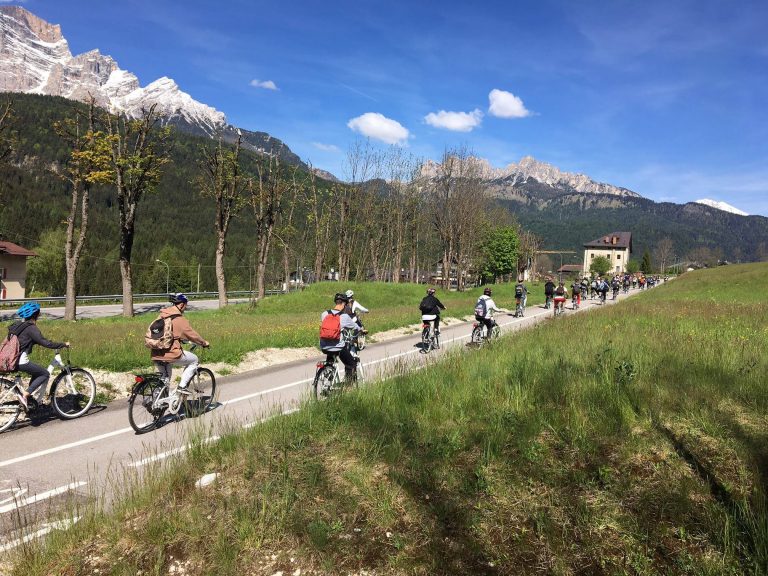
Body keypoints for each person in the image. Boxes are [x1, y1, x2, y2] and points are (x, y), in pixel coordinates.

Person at [8, 302, 69, 410]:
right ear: (36, 314)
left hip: (10, 359)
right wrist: (63, 344)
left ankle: (29, 399)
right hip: (20, 360)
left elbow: (25, 340)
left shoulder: (18, 326)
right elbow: (46, 343)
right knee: (44, 374)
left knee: (37, 371)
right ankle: (25, 395)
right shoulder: (31, 328)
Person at [151, 294, 210, 392]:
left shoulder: (162, 315)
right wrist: (203, 342)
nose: (185, 307)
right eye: (186, 305)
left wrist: (181, 340)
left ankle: (158, 402)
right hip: (171, 354)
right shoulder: (179, 318)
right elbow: (191, 334)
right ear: (182, 304)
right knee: (194, 360)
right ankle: (182, 386)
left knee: (165, 379)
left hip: (156, 353)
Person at [320, 293, 363, 383]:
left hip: (324, 346)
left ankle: (329, 374)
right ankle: (348, 387)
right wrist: (361, 329)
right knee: (351, 364)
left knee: (330, 354)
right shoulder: (344, 317)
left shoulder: (324, 314)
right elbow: (355, 327)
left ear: (336, 302)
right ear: (343, 304)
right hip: (338, 347)